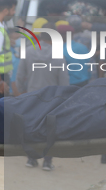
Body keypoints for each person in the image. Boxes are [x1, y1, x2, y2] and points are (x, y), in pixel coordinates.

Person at [16, 21, 70, 171]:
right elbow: (64, 81)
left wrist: (21, 92)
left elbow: (20, 76)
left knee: (31, 127)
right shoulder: (58, 55)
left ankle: (31, 158)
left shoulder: (28, 51)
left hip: (32, 97)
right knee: (50, 129)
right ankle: (47, 161)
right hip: (52, 99)